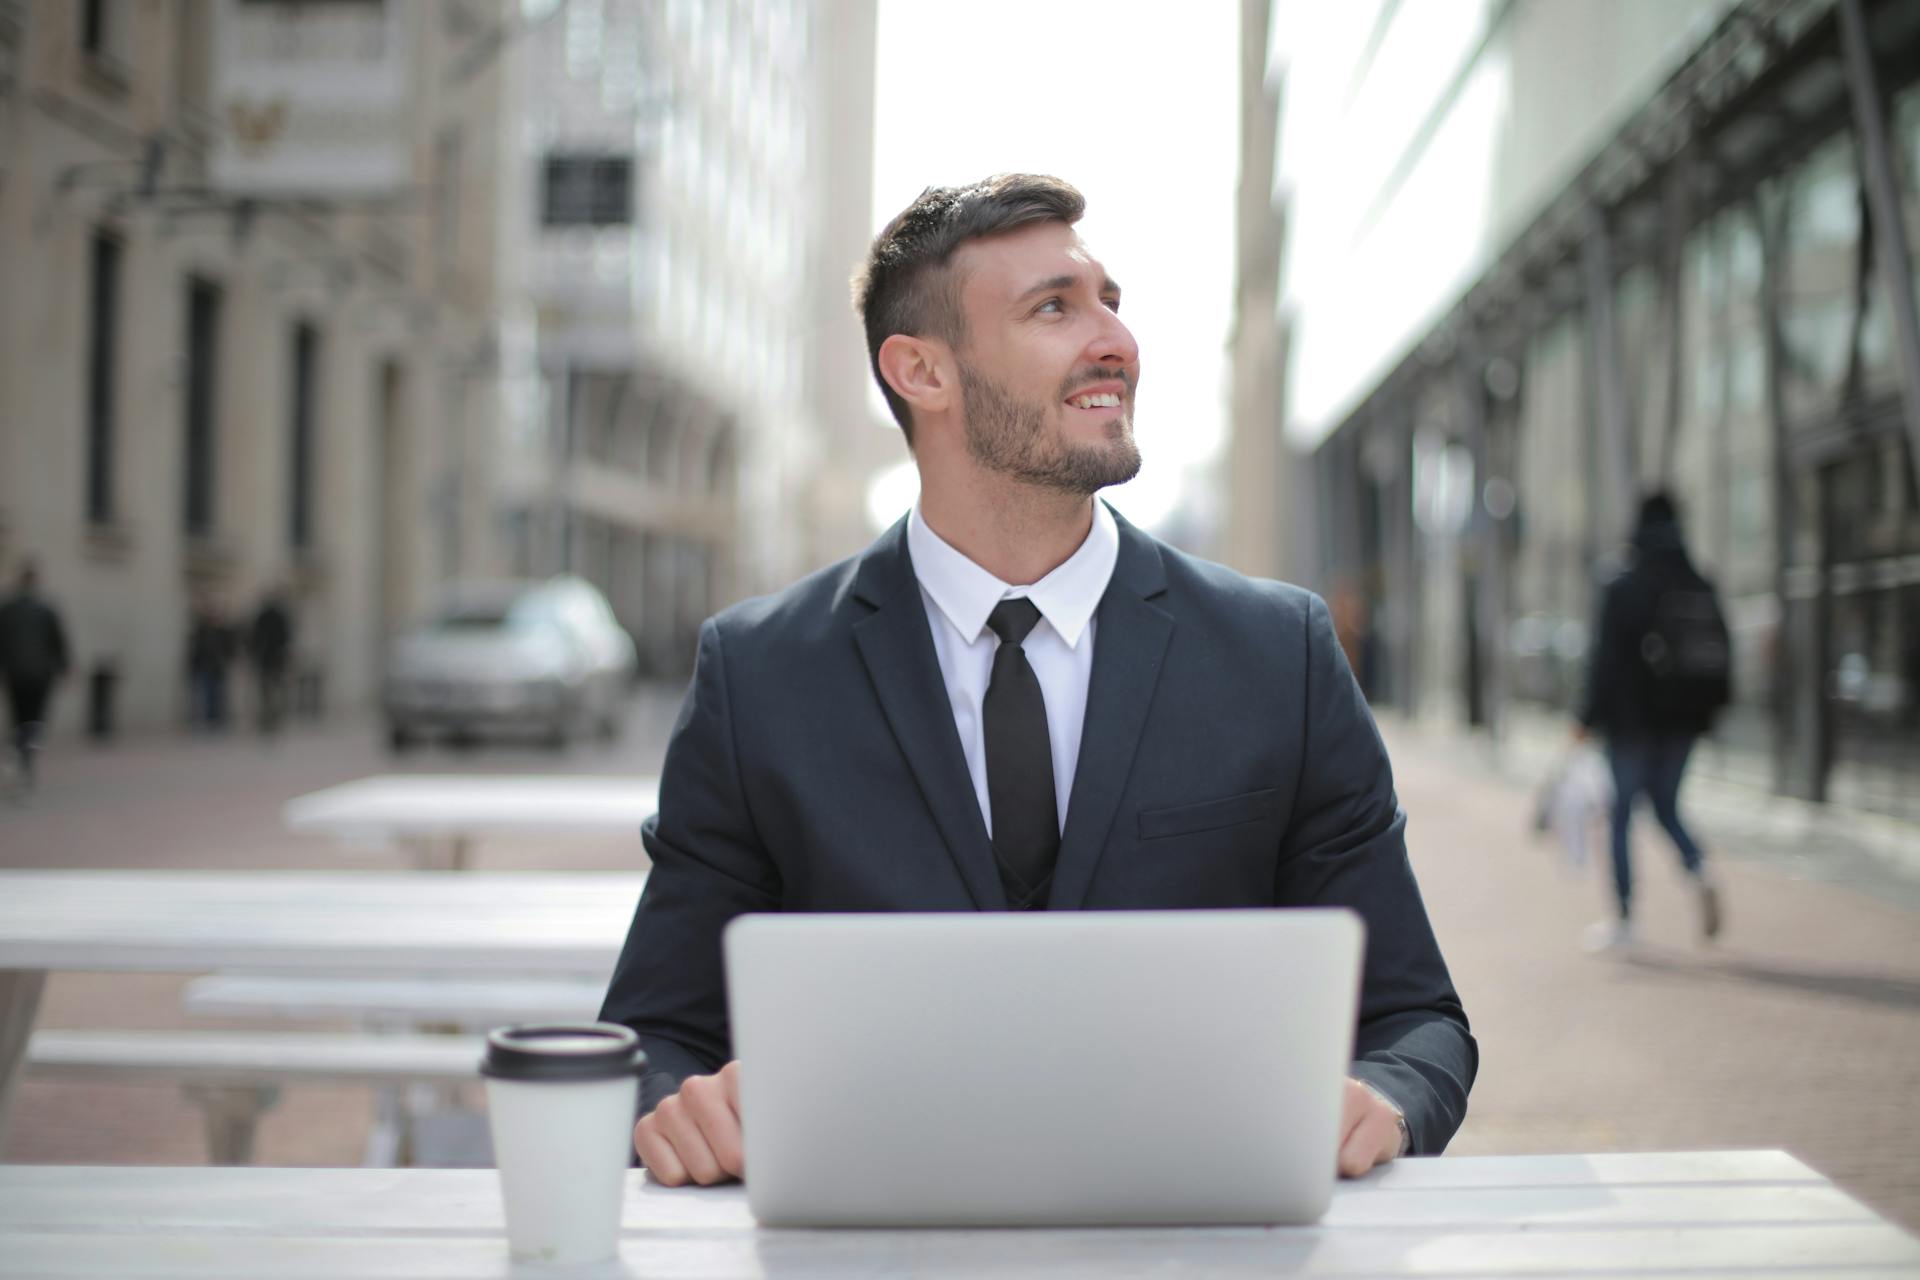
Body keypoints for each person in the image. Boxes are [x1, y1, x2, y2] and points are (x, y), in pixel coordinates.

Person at [599, 175, 1476, 1189]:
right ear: (920, 370)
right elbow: (653, 1037)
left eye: (1111, 300)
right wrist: (682, 1105)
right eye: (1055, 307)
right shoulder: (759, 678)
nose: (1115, 340)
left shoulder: (1280, 654)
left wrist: (1383, 1096)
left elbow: (1417, 1017)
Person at [1575, 491, 1731, 952]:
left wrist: (1585, 717)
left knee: (1622, 814)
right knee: (1665, 804)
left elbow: (1604, 662)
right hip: (1682, 721)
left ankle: (1624, 919)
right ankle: (1698, 868)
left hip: (1630, 724)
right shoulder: (1696, 580)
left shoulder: (1623, 582)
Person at [0, 563, 71, 793]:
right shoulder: (45, 610)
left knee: (19, 717)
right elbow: (59, 643)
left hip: (15, 673)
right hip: (39, 676)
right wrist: (64, 668)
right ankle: (27, 757)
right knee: (34, 719)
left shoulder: (8, 609)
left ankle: (20, 751)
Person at [248, 588, 294, 734]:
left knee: (268, 690)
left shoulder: (264, 616)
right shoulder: (280, 616)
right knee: (274, 689)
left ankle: (270, 716)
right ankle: (272, 716)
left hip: (267, 658)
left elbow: (255, 638)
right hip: (274, 658)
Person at [185, 599, 234, 732]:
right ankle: (207, 718)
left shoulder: (223, 631)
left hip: (218, 667)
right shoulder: (201, 631)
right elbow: (195, 649)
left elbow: (229, 648)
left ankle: (217, 717)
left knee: (218, 693)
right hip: (204, 666)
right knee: (206, 692)